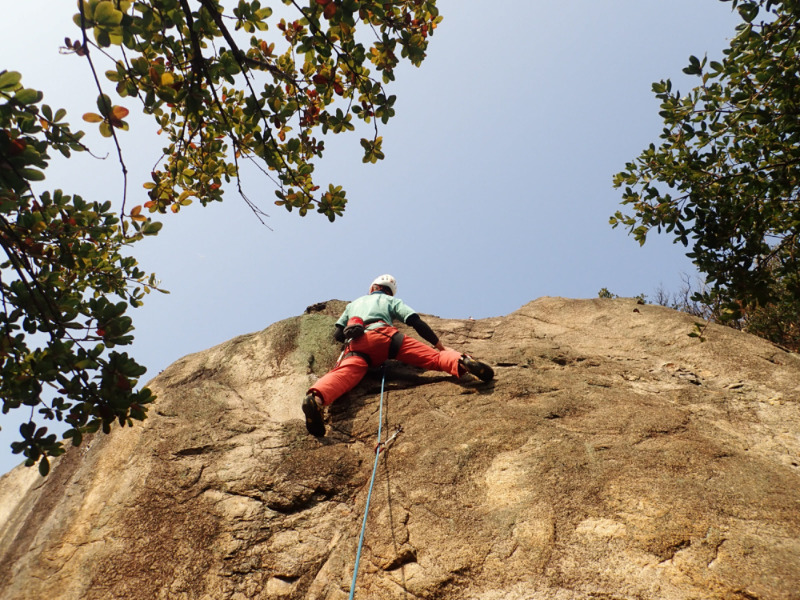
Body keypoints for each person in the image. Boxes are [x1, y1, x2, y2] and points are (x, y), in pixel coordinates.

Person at [302, 274, 494, 437]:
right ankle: (462, 361)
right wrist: (440, 346)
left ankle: (316, 398)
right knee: (434, 359)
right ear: (389, 291)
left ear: (373, 288)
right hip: (387, 337)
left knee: (344, 374)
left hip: (358, 344)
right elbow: (415, 322)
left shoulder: (354, 305)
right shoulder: (391, 301)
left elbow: (338, 335)